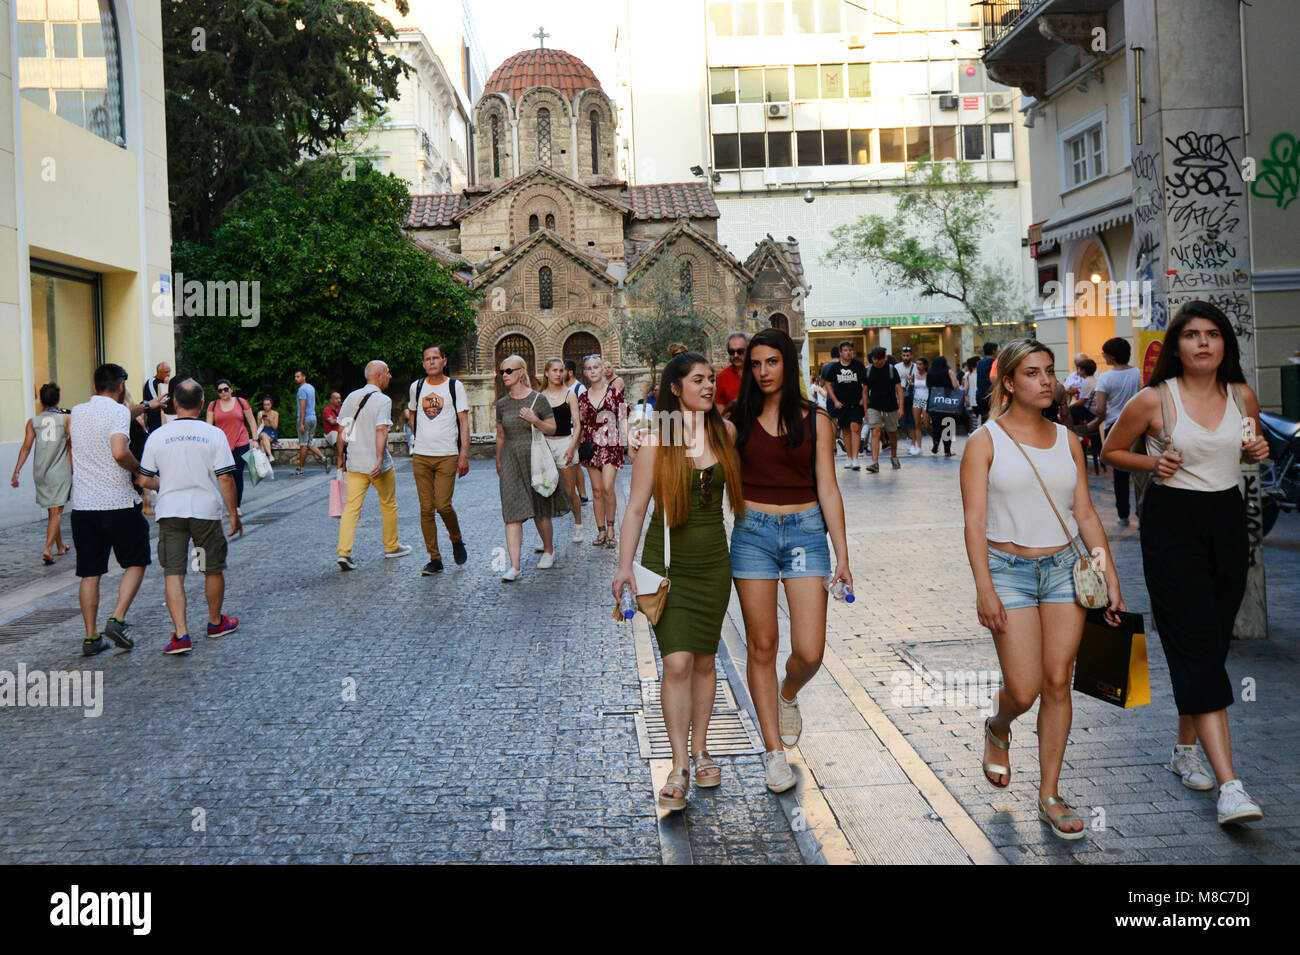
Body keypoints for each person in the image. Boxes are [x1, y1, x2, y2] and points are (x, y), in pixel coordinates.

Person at [1101, 301, 1269, 826]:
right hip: (1173, 526)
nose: (1203, 343)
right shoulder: (1155, 399)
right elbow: (1111, 451)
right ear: (1176, 346)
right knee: (1195, 641)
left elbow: (1243, 452)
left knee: (1212, 641)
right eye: (1192, 335)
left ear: (1225, 345)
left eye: (1212, 335)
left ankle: (1183, 750)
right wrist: (1154, 461)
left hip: (1226, 521)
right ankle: (1231, 787)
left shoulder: (1242, 395)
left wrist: (1256, 451)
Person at [960, 339, 1123, 840]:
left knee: (1058, 680)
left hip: (1062, 569)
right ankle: (998, 724)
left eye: (1049, 371)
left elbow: (1086, 514)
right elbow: (973, 522)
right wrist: (984, 589)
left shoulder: (1068, 441)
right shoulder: (984, 442)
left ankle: (1050, 793)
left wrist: (1109, 577)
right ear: (1008, 382)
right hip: (1008, 570)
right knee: (1025, 688)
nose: (1047, 381)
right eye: (1033, 373)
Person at [612, 353, 744, 809]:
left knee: (706, 662)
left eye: (711, 379)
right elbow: (634, 509)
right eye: (698, 380)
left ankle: (703, 748)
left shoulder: (725, 434)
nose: (709, 387)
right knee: (677, 663)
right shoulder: (656, 442)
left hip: (713, 564)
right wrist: (624, 567)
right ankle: (679, 763)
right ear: (676, 388)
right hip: (666, 565)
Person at [730, 329, 853, 793]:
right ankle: (773, 753)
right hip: (753, 536)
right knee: (761, 646)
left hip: (806, 532)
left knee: (809, 650)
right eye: (755, 364)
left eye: (771, 362)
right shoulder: (735, 422)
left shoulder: (817, 420)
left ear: (788, 364)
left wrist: (843, 553)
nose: (762, 371)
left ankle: (788, 693)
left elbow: (828, 487)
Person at [136, 378, 242, 654]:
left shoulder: (157, 436)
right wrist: (234, 514)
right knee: (210, 567)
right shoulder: (213, 434)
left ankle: (181, 635)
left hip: (170, 512)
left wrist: (165, 484)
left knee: (174, 572)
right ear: (203, 404)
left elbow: (144, 479)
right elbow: (226, 478)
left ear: (172, 403)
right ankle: (215, 622)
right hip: (204, 512)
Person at [69, 364, 151, 656]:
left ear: (95, 386)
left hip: (84, 506)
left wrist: (142, 408)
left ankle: (91, 638)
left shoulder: (77, 412)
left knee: (89, 573)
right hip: (118, 503)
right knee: (137, 559)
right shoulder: (117, 410)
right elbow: (119, 451)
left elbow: (99, 429)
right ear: (120, 387)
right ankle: (117, 618)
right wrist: (139, 470)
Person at [495, 354, 570, 580]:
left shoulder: (538, 400)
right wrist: (498, 460)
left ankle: (549, 550)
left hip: (535, 458)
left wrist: (534, 420)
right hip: (510, 459)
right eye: (502, 372)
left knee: (540, 508)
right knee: (512, 513)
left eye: (509, 371)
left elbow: (552, 428)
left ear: (520, 373)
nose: (504, 375)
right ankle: (515, 567)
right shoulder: (501, 404)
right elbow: (500, 435)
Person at [336, 362, 410, 569]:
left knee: (351, 507)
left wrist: (340, 457)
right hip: (378, 465)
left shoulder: (351, 397)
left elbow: (344, 429)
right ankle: (391, 546)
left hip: (355, 462)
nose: (390, 375)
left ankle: (344, 552)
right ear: (378, 376)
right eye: (387, 372)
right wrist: (378, 459)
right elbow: (381, 431)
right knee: (388, 503)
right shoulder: (382, 400)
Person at [405, 345, 470, 575]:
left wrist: (464, 454)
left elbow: (463, 421)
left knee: (442, 505)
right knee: (425, 509)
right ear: (423, 364)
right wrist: (418, 435)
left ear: (444, 361)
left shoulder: (454, 386)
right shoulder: (417, 386)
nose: (431, 362)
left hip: (447, 455)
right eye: (427, 359)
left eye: (436, 358)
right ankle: (435, 558)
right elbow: (411, 413)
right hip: (421, 455)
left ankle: (456, 539)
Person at [11, 382, 72, 564]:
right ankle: (47, 549)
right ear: (58, 399)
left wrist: (16, 472)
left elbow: (26, 447)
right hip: (59, 471)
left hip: (40, 472)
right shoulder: (65, 419)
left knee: (51, 510)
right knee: (57, 512)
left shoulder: (33, 421)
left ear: (41, 400)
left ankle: (60, 546)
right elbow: (72, 443)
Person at [1090, 337, 1143, 526]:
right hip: (1139, 426)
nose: (1103, 357)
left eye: (1104, 354)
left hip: (1115, 426)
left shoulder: (1105, 378)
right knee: (1140, 470)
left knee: (1120, 474)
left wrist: (1094, 410)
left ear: (1112, 356)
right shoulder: (1139, 373)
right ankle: (1141, 511)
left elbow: (1101, 409)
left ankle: (1123, 514)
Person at [577, 354, 626, 547]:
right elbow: (579, 424)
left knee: (607, 487)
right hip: (590, 446)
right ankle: (601, 531)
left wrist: (631, 438)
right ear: (586, 372)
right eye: (588, 368)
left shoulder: (614, 393)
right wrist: (573, 447)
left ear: (602, 369)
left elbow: (623, 417)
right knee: (596, 491)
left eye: (595, 367)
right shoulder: (582, 397)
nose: (592, 371)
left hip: (611, 444)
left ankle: (612, 528)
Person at [537, 358, 585, 544]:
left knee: (569, 490)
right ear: (547, 373)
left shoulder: (570, 394)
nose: (558, 374)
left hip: (565, 444)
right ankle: (545, 538)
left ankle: (578, 525)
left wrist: (572, 446)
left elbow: (577, 424)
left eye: (561, 370)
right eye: (554, 370)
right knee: (544, 491)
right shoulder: (540, 396)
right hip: (545, 446)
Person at [205, 379, 258, 510]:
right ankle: (230, 504)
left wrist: (255, 440)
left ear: (231, 389)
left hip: (241, 442)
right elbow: (208, 426)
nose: (223, 392)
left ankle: (236, 506)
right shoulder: (213, 405)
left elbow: (251, 421)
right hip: (222, 445)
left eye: (226, 389)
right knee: (225, 475)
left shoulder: (241, 402)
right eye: (220, 390)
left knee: (237, 474)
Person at [818, 341, 868, 470]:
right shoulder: (834, 368)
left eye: (850, 350)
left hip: (856, 403)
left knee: (855, 428)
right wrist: (834, 400)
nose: (848, 352)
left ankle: (856, 459)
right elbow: (827, 384)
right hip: (841, 404)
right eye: (845, 350)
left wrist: (864, 398)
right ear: (841, 352)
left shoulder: (858, 365)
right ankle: (849, 457)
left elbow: (866, 384)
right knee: (845, 431)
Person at [863, 346, 904, 472]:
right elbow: (865, 391)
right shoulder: (868, 371)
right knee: (876, 431)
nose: (877, 362)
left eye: (880, 359)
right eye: (875, 359)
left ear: (885, 358)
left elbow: (899, 390)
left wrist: (901, 407)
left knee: (892, 433)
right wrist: (865, 410)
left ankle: (894, 456)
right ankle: (875, 462)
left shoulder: (892, 370)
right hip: (873, 406)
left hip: (890, 406)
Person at [563, 360, 590, 503]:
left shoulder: (580, 388)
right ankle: (574, 493)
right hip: (564, 431)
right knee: (572, 463)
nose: (560, 374)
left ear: (570, 372)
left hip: (576, 431)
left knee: (576, 463)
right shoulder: (561, 388)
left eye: (563, 370)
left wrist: (581, 436)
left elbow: (584, 414)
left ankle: (582, 493)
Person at [293, 370, 328, 473]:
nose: (296, 379)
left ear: (304, 377)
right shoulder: (311, 387)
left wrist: (301, 423)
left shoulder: (302, 390)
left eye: (298, 376)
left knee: (303, 444)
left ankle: (300, 469)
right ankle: (324, 459)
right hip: (313, 418)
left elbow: (302, 407)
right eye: (295, 377)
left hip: (305, 419)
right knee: (309, 443)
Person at [926, 355, 962, 455]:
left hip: (934, 402)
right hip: (947, 402)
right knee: (948, 425)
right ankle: (947, 451)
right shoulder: (949, 372)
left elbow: (927, 385)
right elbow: (955, 386)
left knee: (936, 425)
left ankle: (936, 442)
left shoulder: (930, 372)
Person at [715, 332, 748, 411]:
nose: (736, 355)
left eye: (740, 351)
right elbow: (720, 410)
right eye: (732, 352)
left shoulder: (757, 372)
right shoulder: (722, 376)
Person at [141, 362, 171, 433]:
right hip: (156, 420)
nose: (168, 374)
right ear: (158, 372)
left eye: (169, 371)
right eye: (166, 372)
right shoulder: (152, 382)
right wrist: (167, 385)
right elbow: (157, 402)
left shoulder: (168, 382)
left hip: (167, 419)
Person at [1067, 358, 1098, 426]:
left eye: (1078, 369)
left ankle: (1075, 430)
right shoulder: (1093, 380)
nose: (1077, 371)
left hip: (1089, 411)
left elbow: (1081, 402)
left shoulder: (1086, 382)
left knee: (1069, 411)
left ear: (1083, 371)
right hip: (1093, 409)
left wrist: (1069, 406)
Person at [975, 342, 998, 422]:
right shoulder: (994, 363)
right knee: (993, 418)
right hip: (991, 394)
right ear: (993, 351)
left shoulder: (979, 363)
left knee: (984, 418)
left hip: (979, 394)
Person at [912, 356, 930, 450]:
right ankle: (919, 447)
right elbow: (912, 388)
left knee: (926, 425)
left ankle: (935, 439)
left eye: (920, 364)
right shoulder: (914, 375)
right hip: (916, 400)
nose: (918, 366)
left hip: (926, 400)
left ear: (925, 365)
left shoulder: (929, 375)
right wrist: (910, 384)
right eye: (917, 364)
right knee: (917, 424)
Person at [322, 391, 343, 456]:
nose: (339, 400)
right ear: (331, 400)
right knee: (335, 435)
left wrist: (336, 420)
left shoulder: (342, 410)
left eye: (339, 398)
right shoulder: (327, 410)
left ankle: (343, 456)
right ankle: (341, 457)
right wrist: (342, 420)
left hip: (341, 432)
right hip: (331, 433)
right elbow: (332, 422)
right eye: (336, 398)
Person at [964, 357, 981, 428]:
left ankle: (977, 430)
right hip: (980, 398)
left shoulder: (968, 375)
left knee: (978, 417)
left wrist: (967, 400)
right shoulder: (981, 372)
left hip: (973, 401)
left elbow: (965, 390)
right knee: (981, 417)